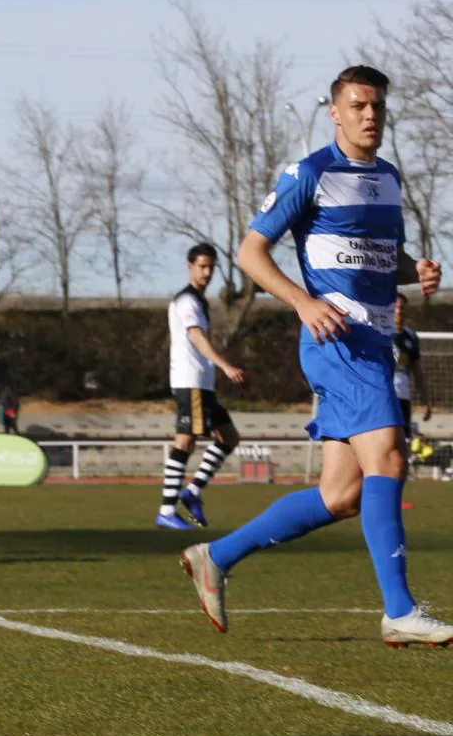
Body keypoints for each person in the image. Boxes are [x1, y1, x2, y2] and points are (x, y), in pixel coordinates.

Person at [181, 65, 453, 647]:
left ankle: (215, 555)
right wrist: (303, 302)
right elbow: (251, 253)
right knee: (390, 459)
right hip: (337, 341)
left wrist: (416, 270)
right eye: (357, 106)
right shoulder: (310, 173)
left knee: (343, 495)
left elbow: (382, 256)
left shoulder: (388, 178)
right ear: (335, 112)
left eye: (377, 105)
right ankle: (400, 609)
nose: (369, 115)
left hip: (374, 345)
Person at [156, 244, 245, 531]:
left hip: (202, 385)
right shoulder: (187, 301)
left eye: (210, 267)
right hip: (189, 381)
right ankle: (167, 510)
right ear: (190, 266)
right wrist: (225, 365)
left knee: (229, 437)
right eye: (202, 266)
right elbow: (196, 337)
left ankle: (192, 492)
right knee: (185, 441)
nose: (207, 272)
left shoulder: (199, 300)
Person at [392, 293, 431, 431]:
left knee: (404, 442)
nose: (398, 311)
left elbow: (417, 371)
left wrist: (425, 400)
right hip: (383, 396)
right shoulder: (379, 333)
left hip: (403, 397)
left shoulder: (411, 336)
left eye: (401, 308)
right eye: (394, 307)